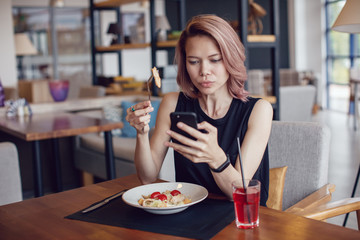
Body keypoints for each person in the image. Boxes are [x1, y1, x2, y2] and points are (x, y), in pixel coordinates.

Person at [125, 14, 273, 206]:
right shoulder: (172, 103)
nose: (204, 71)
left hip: (241, 219)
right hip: (189, 215)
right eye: (194, 61)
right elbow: (147, 177)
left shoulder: (258, 110)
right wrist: (141, 134)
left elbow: (238, 193)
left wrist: (216, 157)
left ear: (231, 58)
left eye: (215, 60)